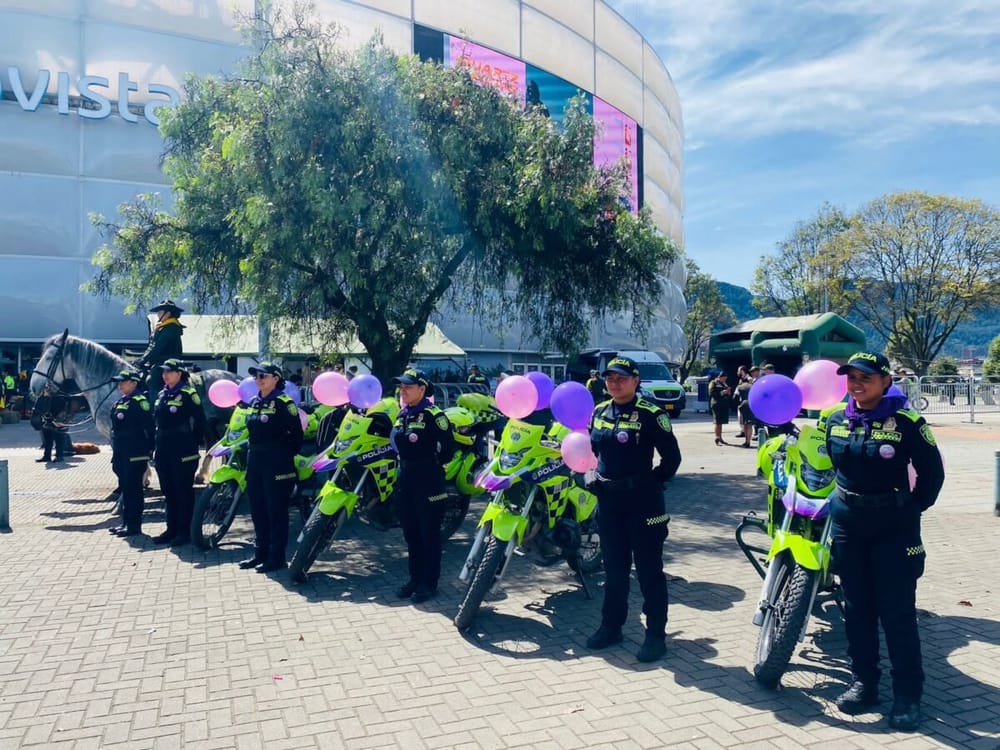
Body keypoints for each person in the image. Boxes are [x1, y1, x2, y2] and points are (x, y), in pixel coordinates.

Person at [824, 351, 945, 732]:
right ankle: (865, 683)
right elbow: (834, 464)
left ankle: (907, 696)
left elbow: (932, 475)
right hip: (848, 523)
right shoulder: (836, 419)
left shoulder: (908, 422)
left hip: (893, 526)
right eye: (852, 377)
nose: (857, 384)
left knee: (897, 613)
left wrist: (907, 510)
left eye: (866, 377)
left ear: (886, 381)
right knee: (857, 609)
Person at [586, 356, 682, 663]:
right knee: (614, 571)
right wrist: (590, 474)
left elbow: (671, 459)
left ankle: (655, 635)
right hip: (609, 504)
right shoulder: (599, 411)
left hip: (643, 505)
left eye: (621, 378)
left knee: (649, 572)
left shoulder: (651, 414)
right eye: (610, 378)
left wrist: (650, 483)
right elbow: (591, 450)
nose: (615, 383)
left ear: (636, 381)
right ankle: (611, 627)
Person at [391, 368, 455, 603]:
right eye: (401, 387)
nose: (403, 390)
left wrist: (432, 464)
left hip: (428, 478)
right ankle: (414, 578)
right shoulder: (403, 414)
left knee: (429, 533)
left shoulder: (434, 416)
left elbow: (448, 450)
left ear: (422, 389)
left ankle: (429, 583)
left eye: (408, 386)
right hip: (405, 476)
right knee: (411, 533)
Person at [239, 362, 303, 573]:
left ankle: (276, 557)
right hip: (255, 458)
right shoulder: (255, 401)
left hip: (277, 460)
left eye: (263, 376)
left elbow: (296, 436)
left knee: (275, 510)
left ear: (275, 378)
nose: (258, 379)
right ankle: (260, 553)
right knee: (257, 509)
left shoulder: (284, 403)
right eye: (256, 376)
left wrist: (283, 455)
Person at [151, 358, 206, 546]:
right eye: (164, 371)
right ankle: (171, 528)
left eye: (169, 371)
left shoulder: (188, 394)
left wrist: (196, 444)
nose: (165, 375)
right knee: (168, 490)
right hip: (163, 447)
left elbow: (200, 421)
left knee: (183, 490)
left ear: (179, 374)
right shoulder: (162, 394)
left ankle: (184, 531)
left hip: (183, 446)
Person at [108, 369, 155, 537]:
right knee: (126, 488)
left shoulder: (139, 401)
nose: (119, 385)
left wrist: (149, 449)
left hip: (135, 451)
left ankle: (134, 526)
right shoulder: (122, 401)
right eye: (119, 382)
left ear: (134, 383)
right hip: (121, 450)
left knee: (134, 489)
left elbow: (149, 427)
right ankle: (126, 522)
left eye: (123, 382)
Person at [135, 299, 185, 398]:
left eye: (160, 312)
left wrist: (143, 361)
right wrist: (141, 360)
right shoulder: (162, 327)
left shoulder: (171, 328)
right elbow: (151, 347)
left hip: (168, 362)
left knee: (152, 379)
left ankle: (154, 406)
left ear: (168, 314)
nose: (158, 314)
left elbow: (157, 348)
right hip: (159, 361)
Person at [33, 385, 69, 463]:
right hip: (47, 419)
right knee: (47, 439)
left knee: (59, 438)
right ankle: (47, 456)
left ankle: (59, 456)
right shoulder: (43, 397)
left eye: (48, 388)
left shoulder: (59, 395)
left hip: (58, 419)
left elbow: (63, 406)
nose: (46, 390)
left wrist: (61, 418)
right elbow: (39, 407)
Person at [734, 366, 759, 447]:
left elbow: (735, 397)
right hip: (752, 404)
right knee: (750, 424)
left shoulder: (740, 387)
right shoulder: (753, 386)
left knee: (744, 424)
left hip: (743, 405)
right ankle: (748, 441)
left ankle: (746, 441)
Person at [708, 371, 732, 445]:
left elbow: (727, 394)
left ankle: (720, 437)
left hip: (723, 404)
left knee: (721, 422)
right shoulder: (713, 383)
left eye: (725, 379)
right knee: (717, 422)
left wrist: (728, 393)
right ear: (719, 377)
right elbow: (711, 393)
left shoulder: (724, 384)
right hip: (716, 404)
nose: (724, 380)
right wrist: (723, 392)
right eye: (723, 378)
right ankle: (717, 437)